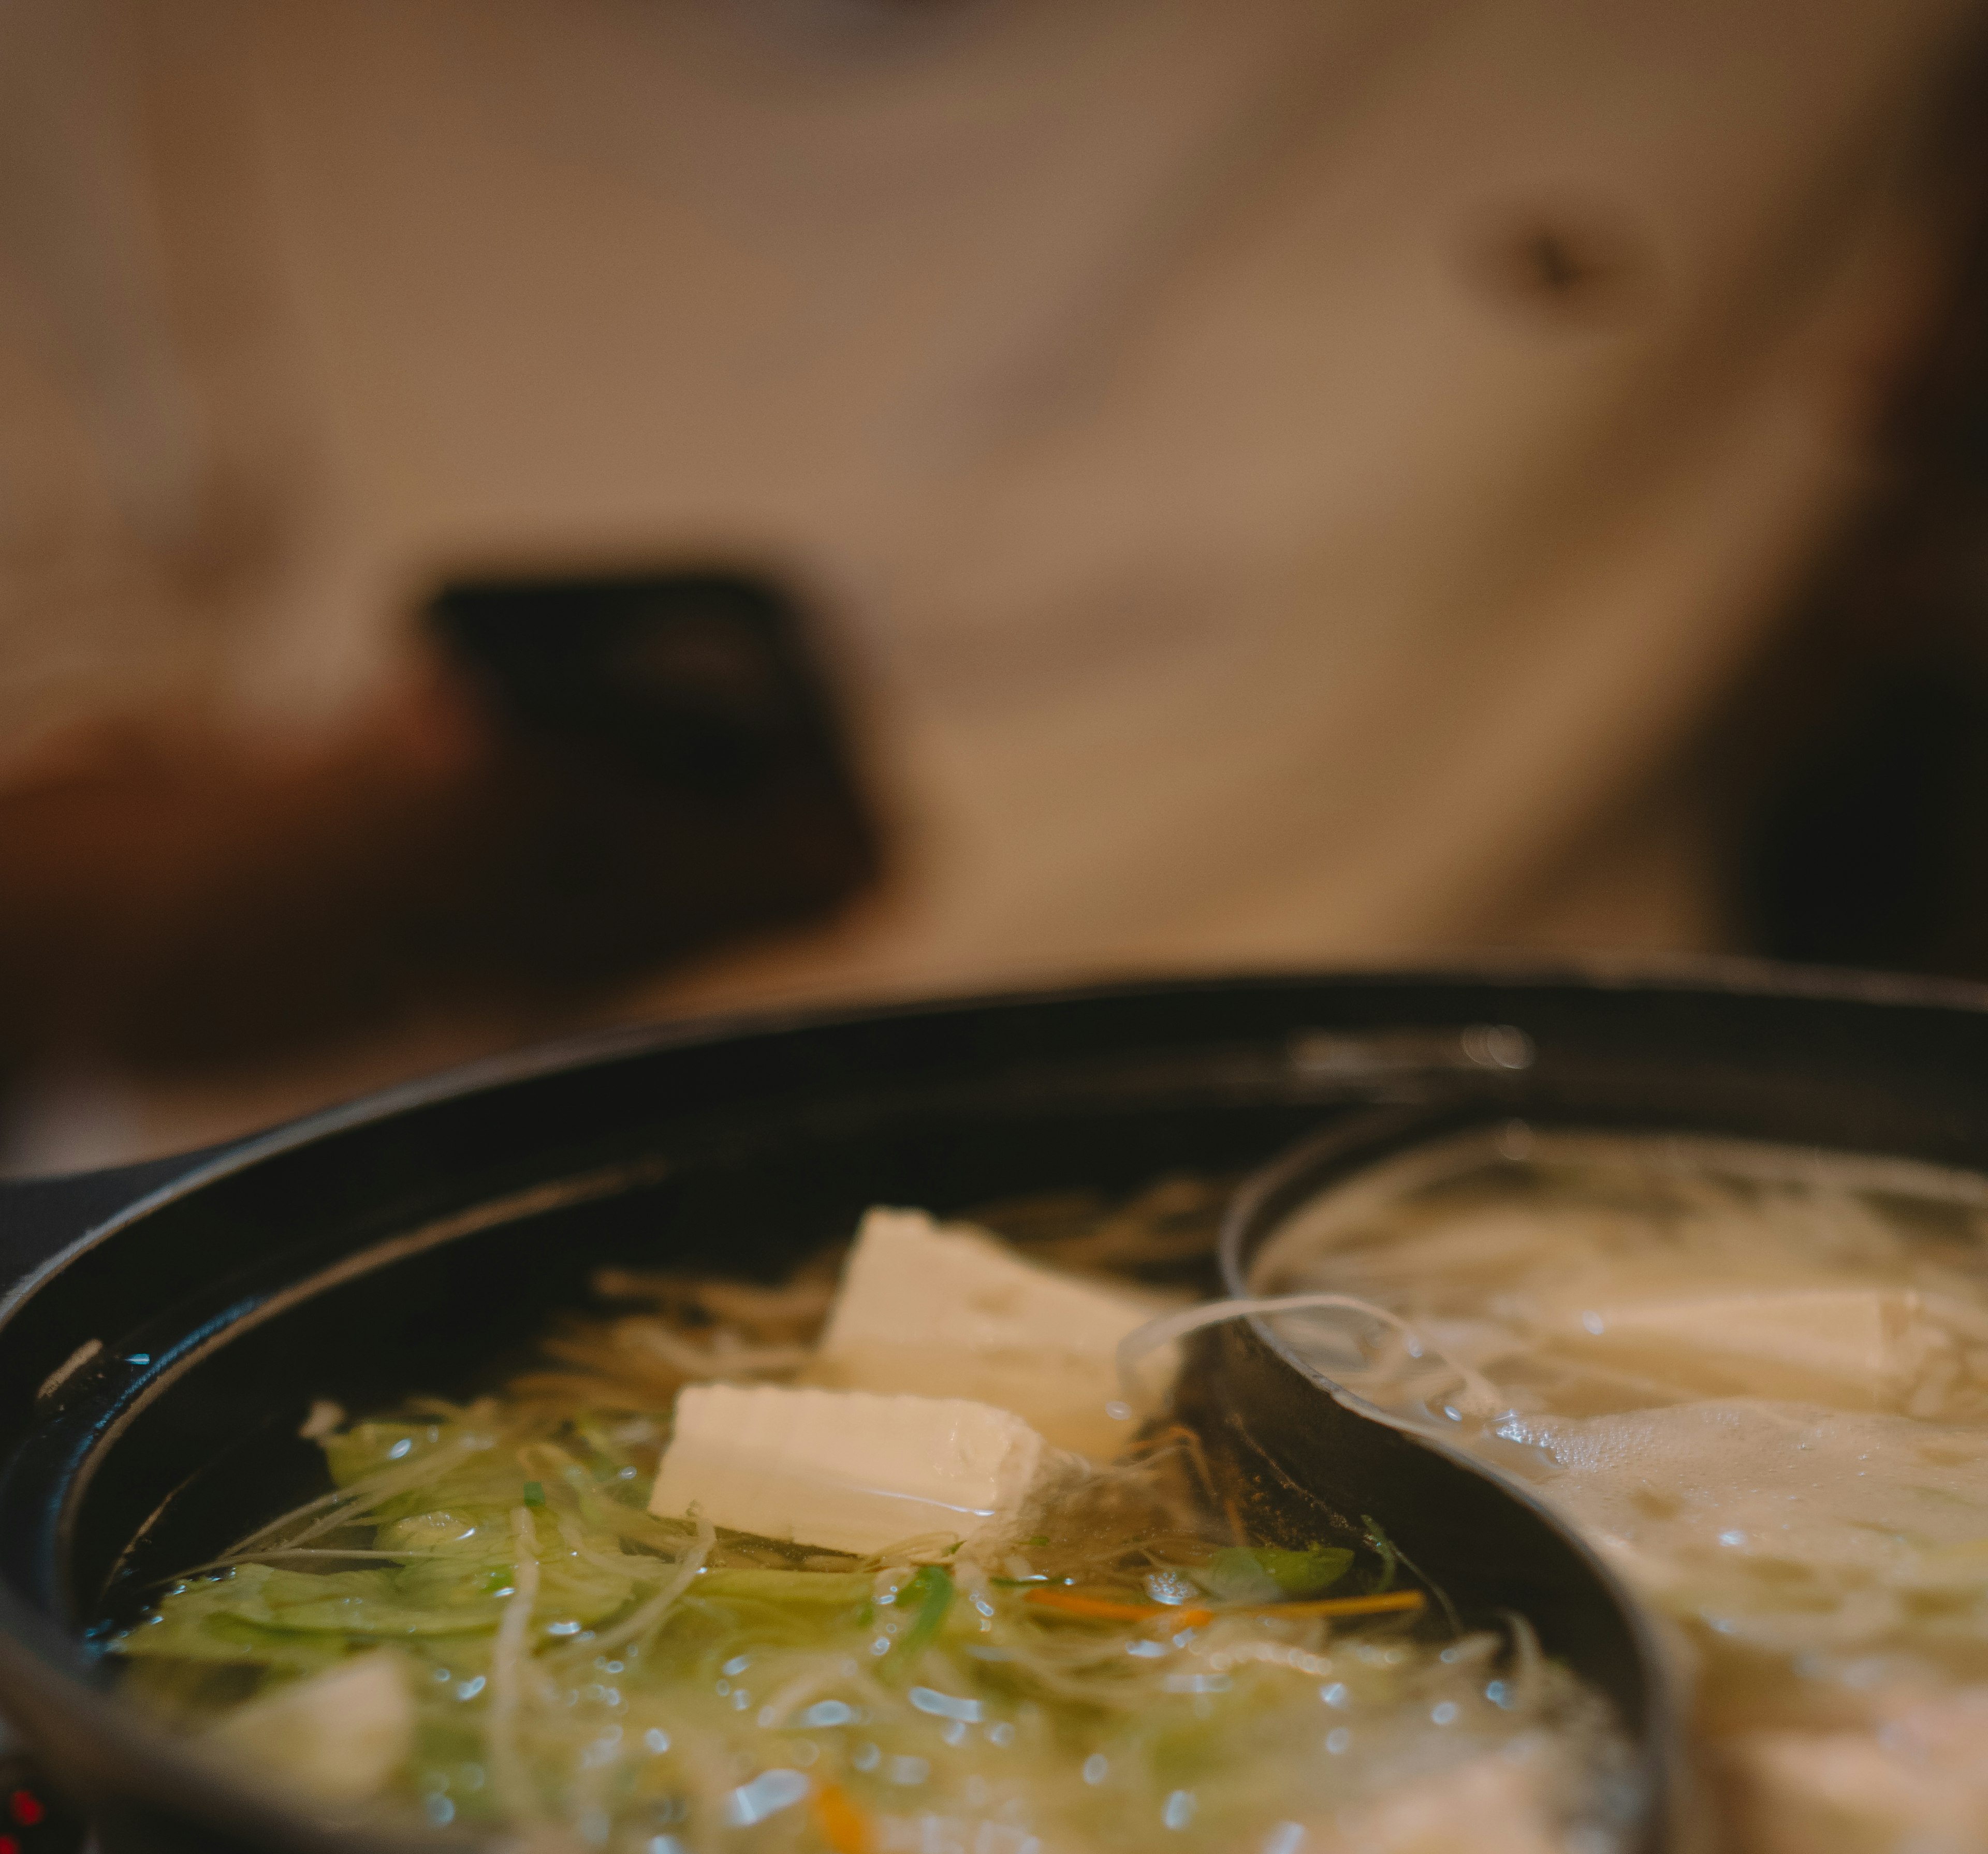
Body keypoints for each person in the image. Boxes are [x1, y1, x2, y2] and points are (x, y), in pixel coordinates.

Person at [2, 0, 1985, 1168]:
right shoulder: (135, 59)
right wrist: (413, 850)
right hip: (344, 1205)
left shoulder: (1766, 63)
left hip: (1447, 1199)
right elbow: (44, 880)